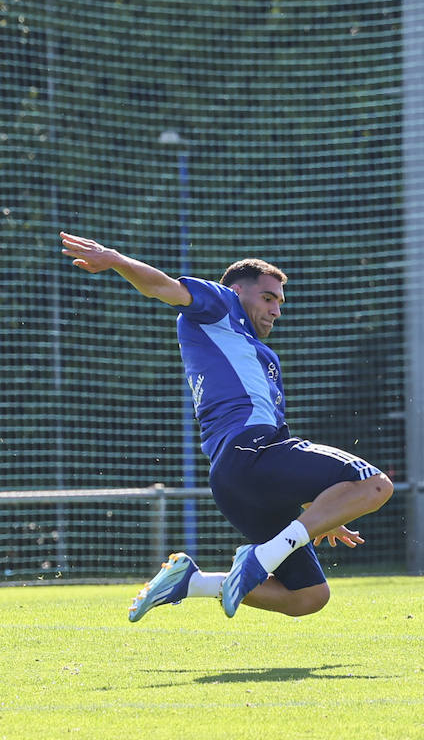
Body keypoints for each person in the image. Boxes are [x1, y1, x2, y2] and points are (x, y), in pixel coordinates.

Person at [59, 232, 394, 622]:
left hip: (236, 479)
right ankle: (260, 557)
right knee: (376, 484)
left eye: (280, 303)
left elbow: (284, 459)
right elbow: (164, 288)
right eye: (268, 298)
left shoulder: (262, 356)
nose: (276, 310)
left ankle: (193, 582)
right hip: (251, 451)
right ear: (237, 290)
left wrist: (324, 508)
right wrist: (114, 258)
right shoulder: (221, 305)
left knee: (308, 597)